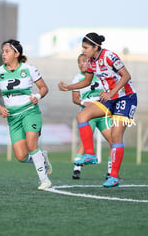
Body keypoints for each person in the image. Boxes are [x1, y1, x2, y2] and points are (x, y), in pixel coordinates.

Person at [58, 32, 137, 188]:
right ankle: (89, 154)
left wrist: (111, 93)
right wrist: (69, 87)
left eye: (86, 47)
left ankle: (113, 176)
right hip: (110, 98)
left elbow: (126, 76)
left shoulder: (109, 56)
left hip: (126, 98)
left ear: (96, 47)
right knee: (82, 116)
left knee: (116, 136)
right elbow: (87, 81)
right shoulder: (91, 62)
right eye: (82, 47)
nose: (83, 50)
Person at [0, 39, 52, 190]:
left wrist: (37, 97)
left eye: (7, 51)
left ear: (16, 54)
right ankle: (41, 158)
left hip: (30, 111)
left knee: (32, 145)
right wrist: (0, 108)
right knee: (21, 157)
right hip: (13, 118)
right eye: (3, 51)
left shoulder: (29, 69)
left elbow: (44, 88)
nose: (3, 54)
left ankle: (44, 180)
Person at [70, 53, 113, 180]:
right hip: (87, 115)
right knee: (85, 143)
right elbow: (75, 98)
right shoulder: (77, 78)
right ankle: (76, 170)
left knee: (113, 141)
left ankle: (111, 172)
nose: (81, 64)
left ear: (90, 62)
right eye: (79, 62)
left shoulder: (100, 76)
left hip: (103, 113)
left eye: (84, 61)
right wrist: (84, 102)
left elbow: (109, 90)